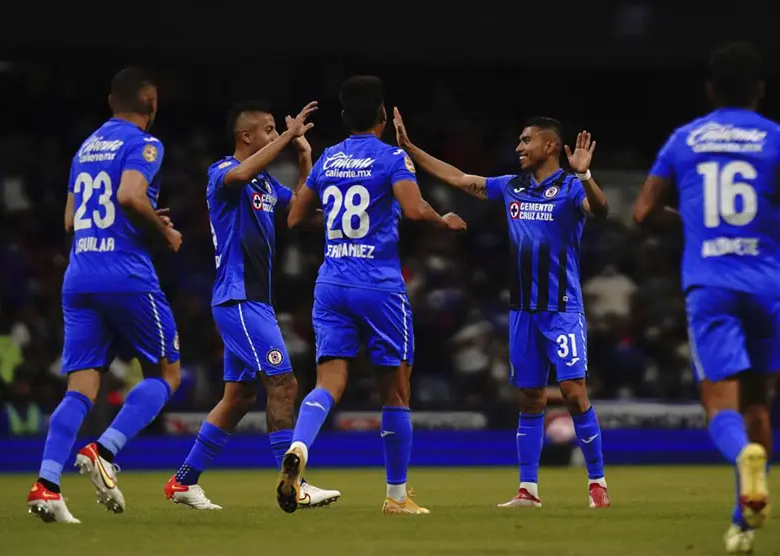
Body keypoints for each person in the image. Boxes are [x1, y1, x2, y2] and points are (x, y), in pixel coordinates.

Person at [632, 42, 780, 553]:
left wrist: (689, 221)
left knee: (719, 405)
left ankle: (742, 459)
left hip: (710, 282)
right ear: (760, 89)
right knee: (758, 405)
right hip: (767, 280)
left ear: (710, 89)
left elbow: (642, 212)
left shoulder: (685, 139)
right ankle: (742, 523)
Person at [395, 109, 612, 509]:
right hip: (522, 311)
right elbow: (459, 178)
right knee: (529, 398)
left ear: (550, 145)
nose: (519, 147)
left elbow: (599, 210)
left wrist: (584, 175)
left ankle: (597, 482)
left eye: (527, 140)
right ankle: (528, 490)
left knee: (573, 391)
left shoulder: (570, 187)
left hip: (563, 308)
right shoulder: (512, 186)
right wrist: (410, 148)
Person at [277, 75, 466, 515]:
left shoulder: (329, 157)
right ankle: (396, 497)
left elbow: (295, 218)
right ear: (382, 116)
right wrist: (443, 220)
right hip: (378, 286)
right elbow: (414, 209)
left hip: (331, 284)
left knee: (329, 381)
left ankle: (300, 446)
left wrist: (335, 215)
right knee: (395, 393)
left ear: (345, 116)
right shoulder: (392, 157)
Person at [165, 100, 340, 510]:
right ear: (246, 136)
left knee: (240, 397)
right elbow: (240, 174)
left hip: (254, 301)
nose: (276, 134)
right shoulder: (223, 171)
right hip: (238, 297)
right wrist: (288, 136)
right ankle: (294, 483)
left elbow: (301, 211)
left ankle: (184, 482)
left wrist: (305, 156)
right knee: (284, 384)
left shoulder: (264, 185)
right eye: (268, 129)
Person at [27, 67, 184, 523]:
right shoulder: (144, 144)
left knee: (80, 387)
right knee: (167, 373)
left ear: (111, 101)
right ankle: (104, 449)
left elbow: (70, 221)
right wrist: (163, 230)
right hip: (126, 274)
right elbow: (131, 195)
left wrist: (137, 216)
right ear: (151, 102)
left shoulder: (86, 147)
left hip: (80, 274)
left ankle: (47, 484)